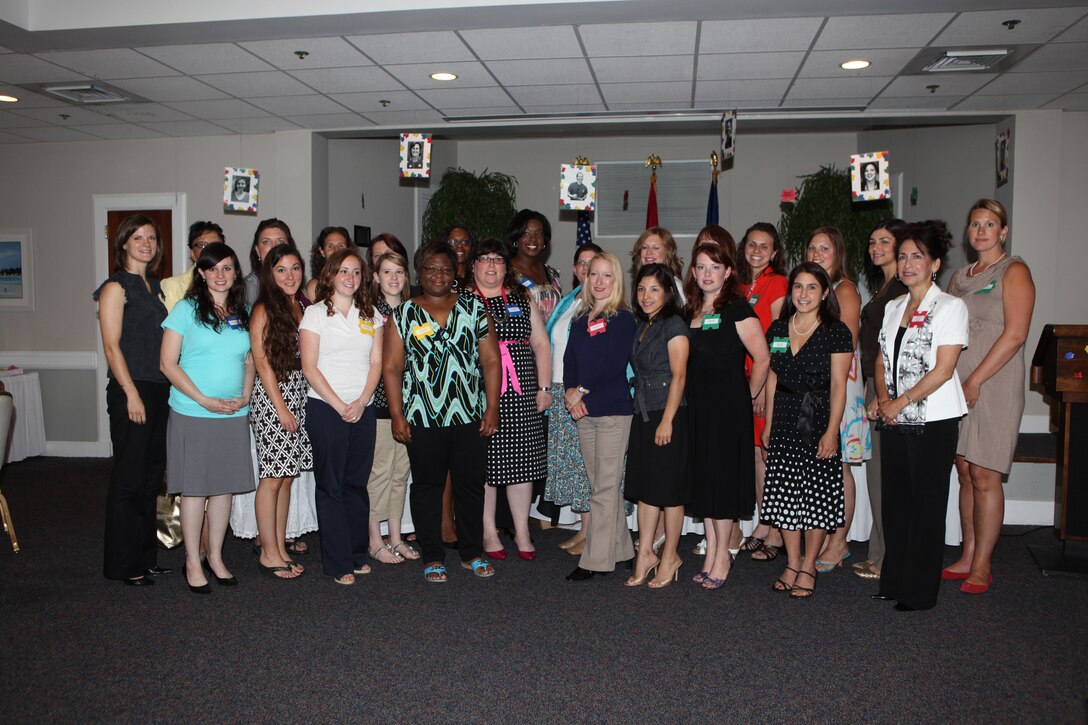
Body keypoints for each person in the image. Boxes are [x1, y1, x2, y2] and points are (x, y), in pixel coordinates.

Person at [383, 242, 502, 583]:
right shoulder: (403, 314)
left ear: (455, 274)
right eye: (432, 269)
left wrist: (492, 407)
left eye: (446, 269)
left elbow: (491, 360)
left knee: (470, 486)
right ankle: (432, 555)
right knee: (426, 487)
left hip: (469, 414)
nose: (439, 275)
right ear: (419, 273)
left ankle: (471, 552)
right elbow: (391, 367)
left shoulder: (474, 307)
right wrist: (397, 414)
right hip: (422, 416)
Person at [870, 220, 968, 611]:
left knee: (926, 506)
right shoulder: (895, 305)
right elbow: (881, 358)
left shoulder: (950, 307)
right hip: (895, 419)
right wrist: (882, 397)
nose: (908, 264)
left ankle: (921, 591)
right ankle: (894, 580)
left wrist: (901, 400)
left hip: (933, 421)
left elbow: (944, 369)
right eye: (904, 256)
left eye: (918, 257)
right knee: (896, 504)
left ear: (935, 264)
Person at [945, 199, 1035, 594]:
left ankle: (982, 565)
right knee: (964, 469)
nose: (981, 230)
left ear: (1003, 231)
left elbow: (1015, 335)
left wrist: (976, 380)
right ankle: (966, 554)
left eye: (989, 224)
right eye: (975, 224)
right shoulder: (959, 277)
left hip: (994, 381)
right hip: (957, 382)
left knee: (985, 474)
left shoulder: (1014, 271)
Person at [160, 243, 256, 593]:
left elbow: (250, 361)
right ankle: (192, 560)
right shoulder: (185, 309)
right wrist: (203, 399)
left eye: (227, 268)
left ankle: (215, 556)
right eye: (213, 268)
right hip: (193, 412)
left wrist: (245, 395)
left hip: (233, 413)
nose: (220, 274)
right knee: (195, 491)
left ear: (235, 273)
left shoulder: (242, 311)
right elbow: (167, 363)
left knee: (223, 488)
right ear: (200, 272)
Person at [761, 262, 853, 598]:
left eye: (811, 287)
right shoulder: (778, 329)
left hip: (818, 418)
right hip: (784, 418)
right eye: (797, 287)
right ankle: (792, 562)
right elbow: (772, 379)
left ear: (825, 292)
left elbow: (840, 386)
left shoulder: (836, 331)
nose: (803, 294)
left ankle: (809, 564)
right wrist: (769, 424)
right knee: (785, 493)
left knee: (815, 494)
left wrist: (832, 432)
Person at [685, 244, 770, 589]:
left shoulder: (737, 309)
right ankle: (711, 553)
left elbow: (763, 358)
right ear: (693, 273)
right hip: (698, 409)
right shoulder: (691, 310)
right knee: (705, 482)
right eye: (701, 267)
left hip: (727, 410)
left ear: (728, 272)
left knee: (721, 484)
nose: (707, 273)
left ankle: (723, 555)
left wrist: (747, 396)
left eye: (714, 267)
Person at [95, 214, 171, 587]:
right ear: (123, 243)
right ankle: (124, 565)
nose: (146, 243)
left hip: (159, 390)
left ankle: (146, 557)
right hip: (132, 390)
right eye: (138, 237)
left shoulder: (155, 287)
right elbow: (111, 346)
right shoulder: (115, 288)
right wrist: (130, 393)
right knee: (129, 477)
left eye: (151, 238)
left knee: (151, 478)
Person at [299, 249, 383, 585]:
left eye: (356, 272)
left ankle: (357, 553)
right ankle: (337, 563)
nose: (350, 278)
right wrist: (338, 404)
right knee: (331, 485)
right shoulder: (316, 315)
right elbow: (310, 366)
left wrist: (362, 401)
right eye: (343, 271)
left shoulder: (371, 314)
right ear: (331, 275)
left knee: (356, 484)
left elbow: (376, 363)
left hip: (362, 408)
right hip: (326, 408)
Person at [470, 239, 551, 561]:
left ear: (507, 266)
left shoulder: (521, 296)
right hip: (478, 393)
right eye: (485, 259)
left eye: (498, 260)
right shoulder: (462, 299)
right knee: (485, 465)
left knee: (522, 462)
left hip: (521, 392)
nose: (491, 266)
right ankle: (488, 529)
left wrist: (544, 388)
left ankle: (521, 530)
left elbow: (541, 344)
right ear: (474, 264)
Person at [562, 251, 637, 581]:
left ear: (616, 280)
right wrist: (569, 392)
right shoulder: (581, 317)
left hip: (612, 412)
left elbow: (615, 363)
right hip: (584, 411)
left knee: (604, 489)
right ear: (586, 278)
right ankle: (622, 551)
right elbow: (570, 359)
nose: (600, 281)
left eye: (607, 275)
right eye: (594, 274)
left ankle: (594, 560)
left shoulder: (623, 318)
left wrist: (582, 389)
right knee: (602, 486)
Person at [806, 226, 869, 572]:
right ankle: (822, 536)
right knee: (821, 465)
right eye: (812, 248)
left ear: (838, 254)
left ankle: (839, 541)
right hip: (813, 387)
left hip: (839, 385)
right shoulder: (810, 289)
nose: (816, 254)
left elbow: (844, 343)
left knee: (840, 465)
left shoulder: (844, 290)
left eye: (824, 249)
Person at [248, 245, 313, 580]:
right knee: (272, 478)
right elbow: (262, 363)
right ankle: (268, 552)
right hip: (274, 398)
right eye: (282, 270)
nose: (290, 275)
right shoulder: (263, 308)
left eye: (295, 268)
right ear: (270, 275)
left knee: (287, 477)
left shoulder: (298, 305)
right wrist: (281, 408)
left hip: (297, 395)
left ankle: (279, 547)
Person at [625, 263, 690, 588]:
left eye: (654, 289)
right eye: (641, 289)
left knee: (669, 492)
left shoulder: (674, 324)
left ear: (667, 292)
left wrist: (667, 420)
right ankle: (646, 553)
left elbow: (679, 375)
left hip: (668, 414)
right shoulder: (644, 325)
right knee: (646, 490)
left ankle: (671, 556)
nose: (646, 296)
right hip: (643, 413)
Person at [852, 219, 909, 581]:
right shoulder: (885, 286)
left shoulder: (903, 288)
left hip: (889, 387)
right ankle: (880, 552)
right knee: (878, 474)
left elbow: (897, 348)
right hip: (876, 383)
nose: (875, 247)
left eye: (884, 242)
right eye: (872, 241)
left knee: (885, 476)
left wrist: (884, 393)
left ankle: (888, 556)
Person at [735, 222, 789, 561]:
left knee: (770, 456)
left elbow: (779, 340)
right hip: (743, 379)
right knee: (756, 457)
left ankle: (778, 532)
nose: (757, 250)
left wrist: (763, 390)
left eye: (764, 246)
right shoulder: (740, 285)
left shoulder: (778, 282)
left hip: (765, 380)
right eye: (752, 244)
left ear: (775, 252)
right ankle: (764, 521)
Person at [544, 243, 602, 554]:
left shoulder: (602, 306)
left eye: (593, 264)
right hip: (559, 391)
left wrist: (580, 389)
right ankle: (584, 528)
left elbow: (598, 356)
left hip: (582, 393)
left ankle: (593, 532)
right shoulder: (569, 301)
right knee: (571, 467)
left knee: (586, 465)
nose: (586, 269)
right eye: (581, 263)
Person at [366, 251, 418, 564]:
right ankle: (374, 539)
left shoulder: (415, 311)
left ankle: (396, 537)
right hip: (383, 405)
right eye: (387, 272)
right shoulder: (370, 314)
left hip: (413, 405)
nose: (394, 278)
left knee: (401, 474)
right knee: (380, 473)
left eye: (399, 272)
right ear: (376, 277)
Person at [507, 209, 563, 320]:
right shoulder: (505, 272)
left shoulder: (552, 273)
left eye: (539, 234)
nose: (533, 239)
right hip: (520, 336)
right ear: (516, 238)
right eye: (526, 233)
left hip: (552, 337)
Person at [162, 221, 224, 312]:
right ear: (192, 254)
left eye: (216, 245)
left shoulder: (231, 282)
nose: (209, 250)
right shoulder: (173, 286)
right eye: (202, 245)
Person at [245, 218, 299, 306]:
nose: (274, 247)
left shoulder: (296, 282)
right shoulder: (248, 289)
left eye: (280, 241)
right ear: (257, 250)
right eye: (266, 242)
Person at [303, 226, 352, 301]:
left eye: (340, 245)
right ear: (322, 251)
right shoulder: (315, 286)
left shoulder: (355, 281)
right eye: (330, 246)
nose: (336, 250)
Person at [439, 224, 476, 293]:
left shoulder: (478, 277)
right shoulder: (438, 277)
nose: (459, 246)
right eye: (453, 242)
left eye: (465, 242)